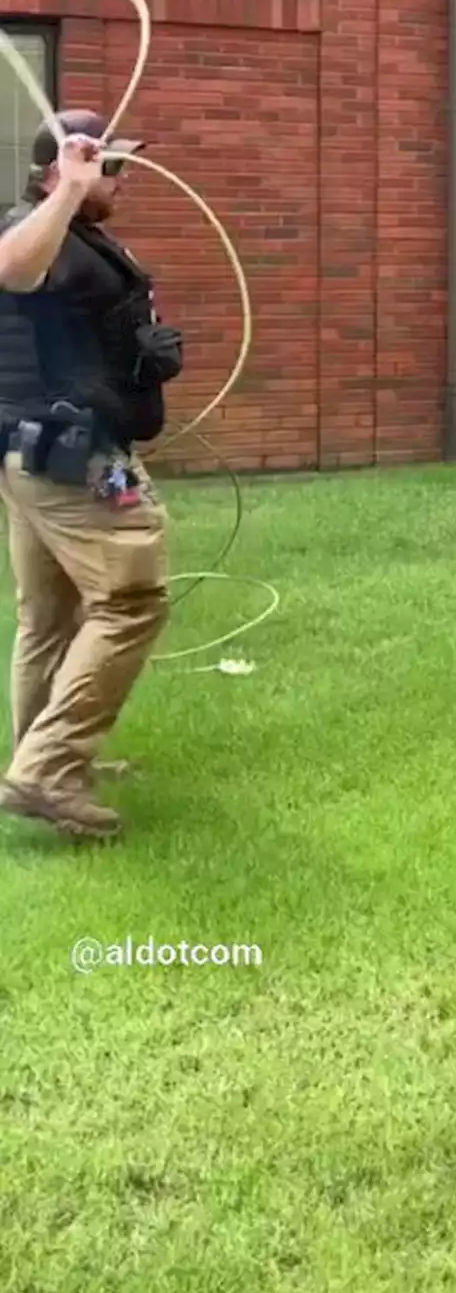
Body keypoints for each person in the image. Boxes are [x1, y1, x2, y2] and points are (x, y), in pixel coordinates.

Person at [0, 111, 182, 840]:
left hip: (35, 453)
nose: (120, 178)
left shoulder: (78, 236)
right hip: (73, 458)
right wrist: (70, 193)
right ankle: (46, 769)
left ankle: (42, 755)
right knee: (132, 597)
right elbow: (12, 270)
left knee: (49, 615)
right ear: (59, 170)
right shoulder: (37, 227)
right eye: (110, 166)